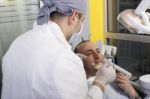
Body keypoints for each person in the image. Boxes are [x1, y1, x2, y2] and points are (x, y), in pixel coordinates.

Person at [1, 0, 116, 99]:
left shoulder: (19, 42)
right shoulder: (65, 59)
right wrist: (100, 81)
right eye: (82, 20)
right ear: (74, 17)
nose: (80, 25)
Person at [74, 40, 140, 99]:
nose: (97, 56)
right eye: (89, 53)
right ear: (80, 61)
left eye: (98, 51)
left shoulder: (115, 78)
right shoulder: (86, 89)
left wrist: (132, 92)